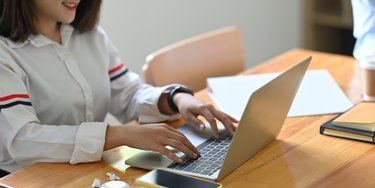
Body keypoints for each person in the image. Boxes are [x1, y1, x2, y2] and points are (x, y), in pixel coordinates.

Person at [0, 0, 237, 175]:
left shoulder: (90, 35)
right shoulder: (5, 53)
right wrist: (118, 134)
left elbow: (127, 92)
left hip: (88, 170)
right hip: (28, 179)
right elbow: (23, 140)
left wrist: (177, 98)